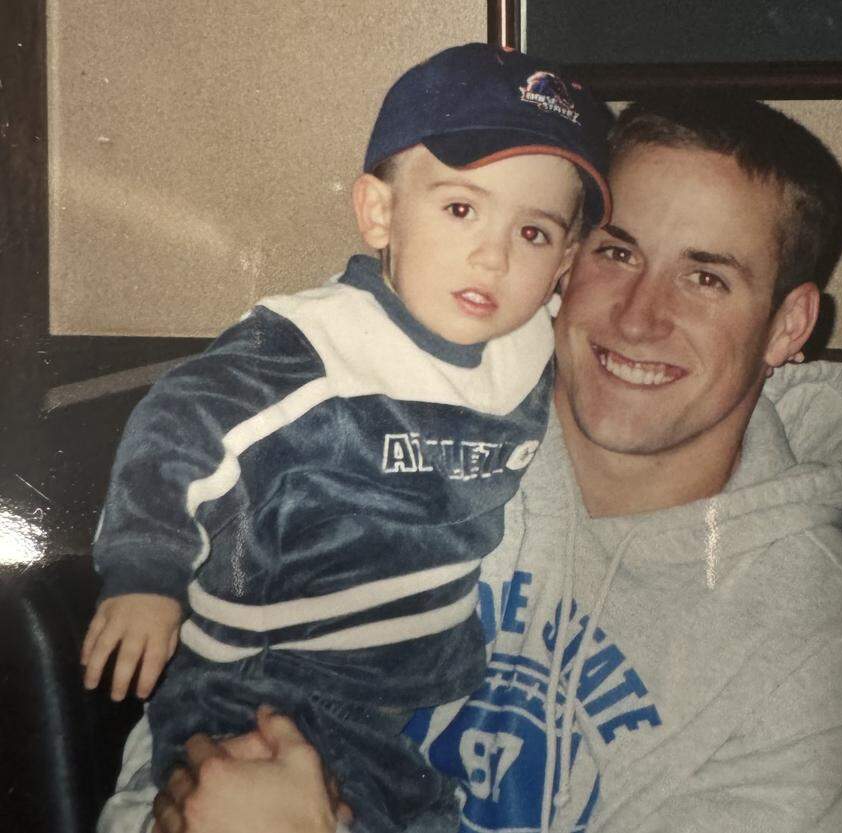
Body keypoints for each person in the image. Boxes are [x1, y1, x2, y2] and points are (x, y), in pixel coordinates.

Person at [101, 95, 842, 833]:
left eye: (706, 277)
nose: (639, 317)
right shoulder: (401, 443)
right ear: (561, 262)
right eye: (617, 253)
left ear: (788, 324)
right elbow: (183, 736)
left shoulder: (824, 653)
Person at [83, 42, 612, 833]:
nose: (494, 254)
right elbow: (178, 423)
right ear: (380, 212)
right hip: (258, 685)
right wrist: (143, 572)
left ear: (567, 260)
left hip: (397, 699)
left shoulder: (534, 350)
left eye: (534, 234)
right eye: (461, 208)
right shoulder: (315, 344)